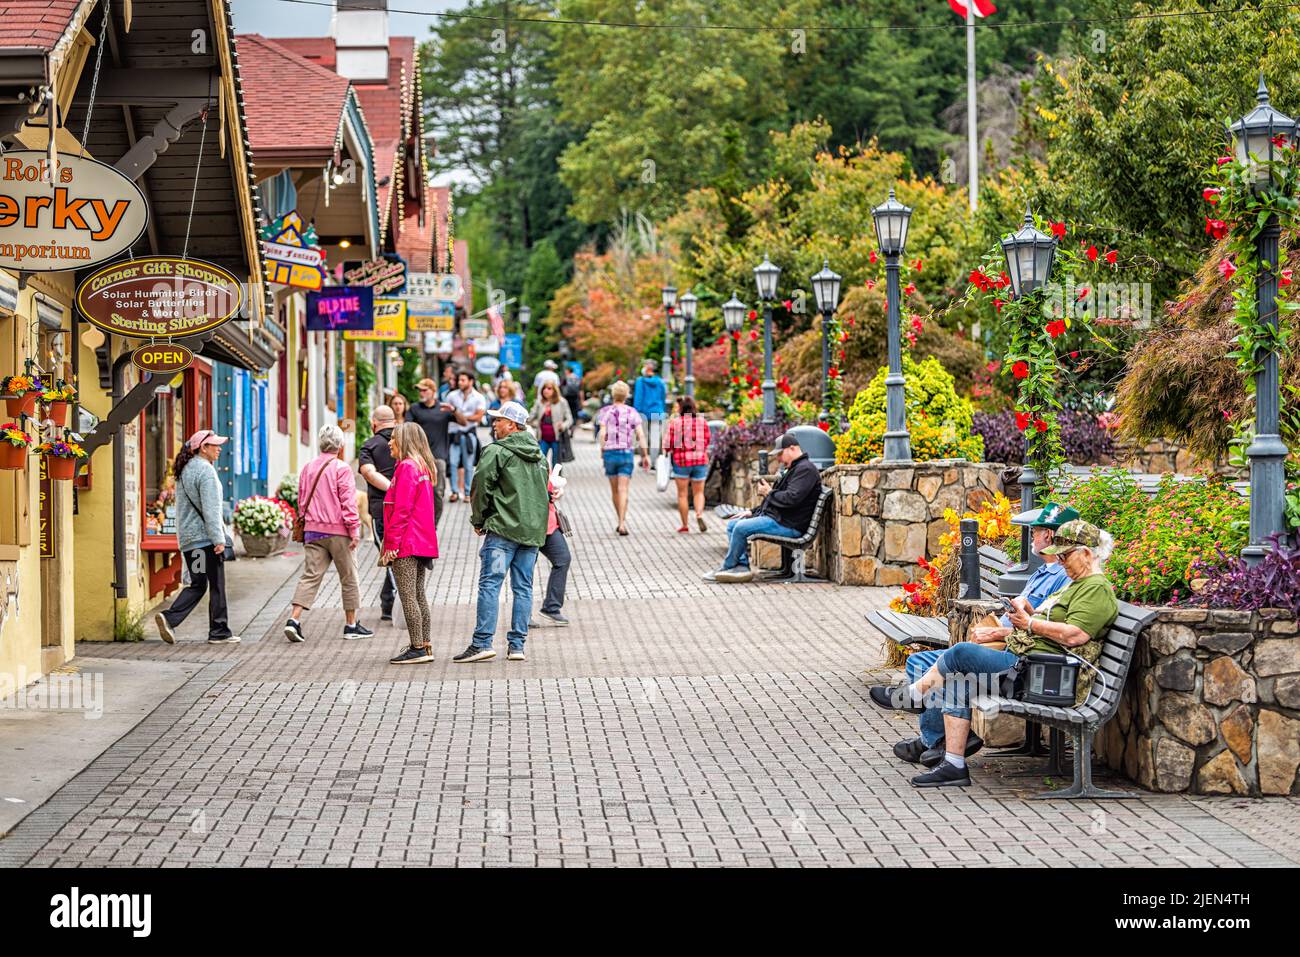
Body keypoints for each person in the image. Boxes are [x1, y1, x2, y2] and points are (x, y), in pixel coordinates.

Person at [870, 519, 1119, 788]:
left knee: (960, 654)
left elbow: (1076, 634)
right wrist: (1029, 613)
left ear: (1086, 553)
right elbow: (1059, 624)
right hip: (1033, 665)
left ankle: (914, 695)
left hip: (1044, 674)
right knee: (956, 677)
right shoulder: (1076, 584)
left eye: (1065, 555)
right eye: (1058, 555)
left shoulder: (1095, 588)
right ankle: (953, 764)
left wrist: (1030, 623)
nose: (1060, 561)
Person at [891, 503, 1079, 770]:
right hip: (1006, 646)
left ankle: (930, 727)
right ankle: (936, 740)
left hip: (1016, 657)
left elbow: (1050, 625)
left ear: (1049, 536)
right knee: (919, 662)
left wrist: (999, 631)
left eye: (1035, 531)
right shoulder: (1042, 571)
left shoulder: (1065, 579)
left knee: (956, 661)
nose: (1032, 537)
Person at [455, 400, 549, 663]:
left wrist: (478, 519)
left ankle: (482, 643)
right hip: (531, 531)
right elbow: (544, 491)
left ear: (512, 424)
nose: (493, 424)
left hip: (503, 528)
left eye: (498, 420)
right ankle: (517, 646)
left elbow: (481, 486)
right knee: (523, 588)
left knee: (490, 585)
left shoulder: (496, 451)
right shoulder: (539, 455)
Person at [284, 425, 373, 642]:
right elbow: (348, 503)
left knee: (310, 576)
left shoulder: (308, 468)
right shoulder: (341, 469)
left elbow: (302, 500)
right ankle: (351, 625)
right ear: (340, 446)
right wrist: (354, 530)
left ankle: (293, 621)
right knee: (349, 576)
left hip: (313, 530)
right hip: (338, 531)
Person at [155, 430, 239, 644]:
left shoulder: (186, 470)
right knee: (217, 585)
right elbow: (211, 509)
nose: (219, 448)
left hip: (191, 541)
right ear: (203, 447)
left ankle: (169, 618)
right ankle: (219, 631)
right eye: (215, 445)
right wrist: (218, 540)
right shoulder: (206, 471)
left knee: (198, 583)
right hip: (207, 542)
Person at [705, 432, 822, 583]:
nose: (778, 459)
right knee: (733, 525)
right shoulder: (795, 469)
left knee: (741, 528)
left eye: (780, 454)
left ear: (792, 449)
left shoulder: (805, 470)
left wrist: (768, 493)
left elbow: (791, 499)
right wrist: (752, 512)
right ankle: (741, 566)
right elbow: (776, 500)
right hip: (781, 519)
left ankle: (726, 567)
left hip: (790, 525)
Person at [382, 423, 441, 664]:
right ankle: (424, 644)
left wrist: (392, 544)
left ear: (405, 440)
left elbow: (402, 509)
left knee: (408, 595)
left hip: (407, 541)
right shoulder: (422, 466)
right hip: (421, 541)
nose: (389, 443)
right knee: (418, 594)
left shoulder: (407, 467)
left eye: (393, 438)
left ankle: (417, 646)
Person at [358, 405, 400, 620]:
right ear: (394, 421)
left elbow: (369, 473)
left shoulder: (369, 445)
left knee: (389, 556)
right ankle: (388, 604)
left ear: (374, 423)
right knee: (399, 556)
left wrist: (393, 490)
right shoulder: (407, 439)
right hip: (408, 509)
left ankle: (399, 603)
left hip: (382, 509)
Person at [596, 380, 649, 536]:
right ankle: (622, 522)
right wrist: (645, 455)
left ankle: (618, 519)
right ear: (626, 395)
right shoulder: (632, 412)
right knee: (624, 489)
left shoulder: (605, 411)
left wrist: (602, 450)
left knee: (614, 490)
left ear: (613, 394)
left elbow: (603, 434)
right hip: (626, 453)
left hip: (610, 453)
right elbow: (640, 435)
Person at [407, 377, 453, 524]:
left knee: (437, 492)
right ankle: (420, 524)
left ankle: (434, 526)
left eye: (424, 390)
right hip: (418, 457)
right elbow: (407, 428)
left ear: (433, 391)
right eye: (419, 390)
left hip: (439, 456)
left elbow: (465, 422)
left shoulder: (443, 408)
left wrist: (455, 411)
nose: (421, 393)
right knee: (417, 492)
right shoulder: (414, 408)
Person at [663, 395, 711, 534]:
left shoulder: (675, 423)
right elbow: (707, 441)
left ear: (681, 408)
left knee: (682, 494)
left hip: (681, 462)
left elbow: (667, 444)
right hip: (700, 460)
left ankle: (685, 525)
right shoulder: (702, 422)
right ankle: (699, 514)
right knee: (699, 492)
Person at [532, 470, 572, 627]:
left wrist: (557, 491)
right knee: (525, 569)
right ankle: (522, 614)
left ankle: (551, 607)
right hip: (529, 526)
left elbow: (549, 483)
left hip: (549, 524)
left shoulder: (540, 457)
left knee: (563, 559)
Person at [447, 370, 487, 502]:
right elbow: (448, 413)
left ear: (471, 381)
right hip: (455, 434)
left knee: (468, 464)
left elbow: (479, 417)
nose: (460, 382)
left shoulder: (479, 397)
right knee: (453, 462)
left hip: (469, 434)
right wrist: (467, 416)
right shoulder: (452, 395)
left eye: (463, 380)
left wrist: (461, 417)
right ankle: (454, 491)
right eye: (459, 380)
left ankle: (468, 492)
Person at [529, 380, 574, 466]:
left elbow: (569, 419)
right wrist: (537, 423)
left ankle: (556, 479)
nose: (546, 390)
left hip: (557, 438)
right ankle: (542, 479)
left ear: (554, 390)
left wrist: (563, 425)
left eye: (549, 388)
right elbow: (530, 418)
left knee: (556, 463)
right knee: (540, 462)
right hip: (542, 438)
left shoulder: (562, 402)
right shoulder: (539, 402)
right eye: (544, 388)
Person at [632, 360, 668, 460]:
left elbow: (638, 398)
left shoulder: (640, 381)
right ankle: (652, 462)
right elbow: (663, 397)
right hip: (657, 412)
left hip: (643, 412)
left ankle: (644, 459)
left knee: (642, 436)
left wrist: (636, 412)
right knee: (655, 438)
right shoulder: (660, 382)